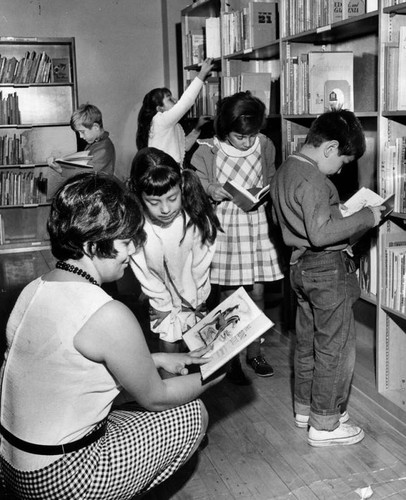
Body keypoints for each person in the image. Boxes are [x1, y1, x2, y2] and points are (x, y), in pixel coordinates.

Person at [0, 172, 224, 499]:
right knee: (192, 414)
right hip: (61, 477)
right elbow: (156, 397)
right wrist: (215, 368)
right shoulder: (107, 312)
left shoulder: (34, 288)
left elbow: (68, 365)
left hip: (12, 463)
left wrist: (158, 358)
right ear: (93, 246)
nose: (132, 251)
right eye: (125, 241)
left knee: (124, 402)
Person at [269, 109, 385, 447]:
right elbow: (320, 235)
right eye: (344, 160)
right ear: (330, 147)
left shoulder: (285, 170)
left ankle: (307, 410)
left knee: (307, 343)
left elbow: (295, 225)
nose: (343, 168)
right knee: (335, 346)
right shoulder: (316, 180)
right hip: (324, 268)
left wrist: (337, 215)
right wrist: (366, 216)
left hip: (299, 269)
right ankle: (327, 424)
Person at [190, 91, 284, 385]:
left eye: (251, 135)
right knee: (229, 297)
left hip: (256, 224)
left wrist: (265, 192)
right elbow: (196, 181)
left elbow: (271, 176)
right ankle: (227, 359)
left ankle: (254, 352)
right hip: (226, 226)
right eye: (239, 136)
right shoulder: (209, 148)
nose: (246, 142)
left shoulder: (265, 144)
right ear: (224, 127)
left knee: (256, 293)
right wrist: (211, 189)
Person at [128, 147, 221, 365]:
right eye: (154, 202)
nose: (165, 208)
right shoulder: (137, 228)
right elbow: (143, 270)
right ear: (139, 196)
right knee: (169, 349)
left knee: (200, 352)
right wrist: (163, 301)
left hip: (195, 295)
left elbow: (200, 265)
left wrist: (191, 300)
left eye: (172, 198)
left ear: (181, 187)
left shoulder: (196, 220)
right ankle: (171, 396)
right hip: (160, 298)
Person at [136, 58, 214, 166]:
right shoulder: (159, 120)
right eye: (169, 99)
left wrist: (197, 129)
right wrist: (201, 75)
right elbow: (185, 103)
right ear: (160, 109)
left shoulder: (172, 125)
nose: (175, 100)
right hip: (164, 174)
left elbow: (183, 147)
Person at [49, 104, 116, 175]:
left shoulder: (104, 149)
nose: (81, 136)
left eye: (82, 132)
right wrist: (60, 163)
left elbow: (86, 172)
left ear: (95, 127)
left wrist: (61, 170)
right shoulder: (96, 142)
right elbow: (82, 164)